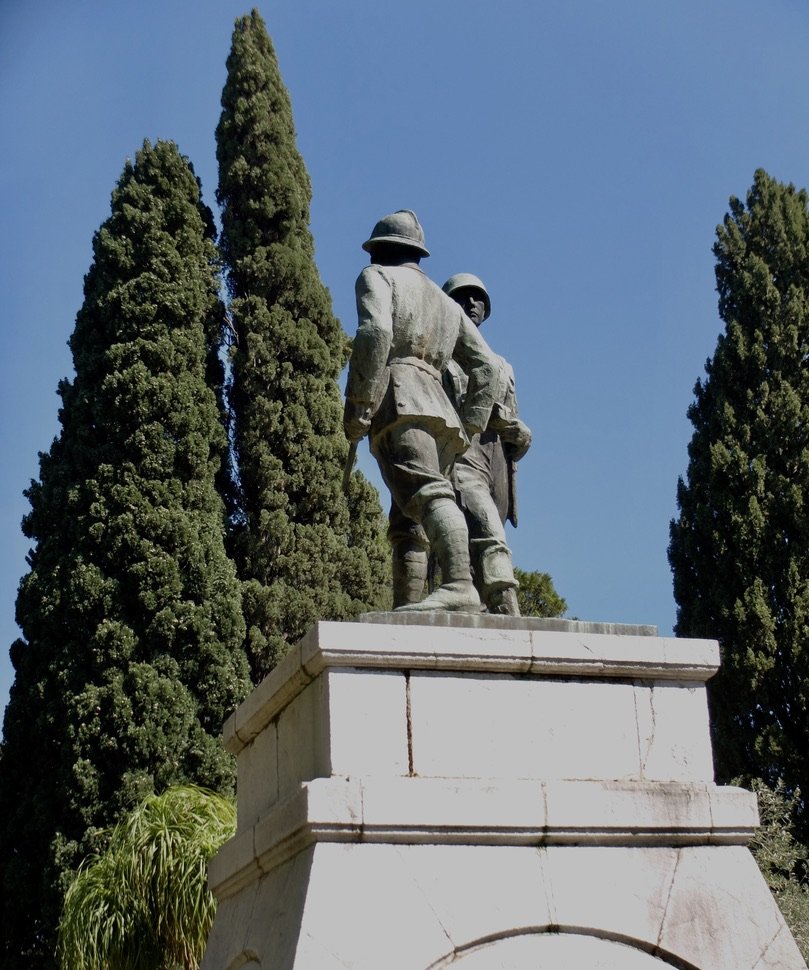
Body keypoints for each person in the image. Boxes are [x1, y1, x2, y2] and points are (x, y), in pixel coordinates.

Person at [343, 211, 498, 612]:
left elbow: (375, 333)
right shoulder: (448, 304)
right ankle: (407, 607)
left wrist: (359, 403)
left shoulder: (376, 277)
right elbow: (487, 366)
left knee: (427, 494)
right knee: (407, 520)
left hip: (398, 397)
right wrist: (469, 423)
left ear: (381, 249)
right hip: (442, 414)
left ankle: (460, 584)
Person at [441, 273, 532, 615]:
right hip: (460, 461)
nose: (471, 304)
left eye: (478, 299)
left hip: (497, 469)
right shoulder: (439, 358)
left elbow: (514, 424)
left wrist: (522, 436)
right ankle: (507, 604)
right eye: (462, 297)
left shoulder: (504, 367)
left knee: (478, 542)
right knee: (488, 534)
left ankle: (482, 610)